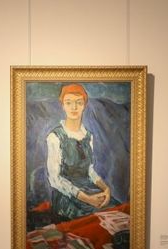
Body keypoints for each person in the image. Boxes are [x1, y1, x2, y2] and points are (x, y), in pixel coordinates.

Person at [46, 83, 117, 223]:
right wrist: (87, 198)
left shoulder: (88, 136)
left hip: (87, 189)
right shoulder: (55, 137)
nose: (74, 107)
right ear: (63, 105)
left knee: (115, 208)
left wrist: (106, 188)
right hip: (66, 196)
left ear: (84, 105)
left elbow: (89, 171)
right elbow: (55, 179)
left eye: (79, 102)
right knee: (97, 219)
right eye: (69, 102)